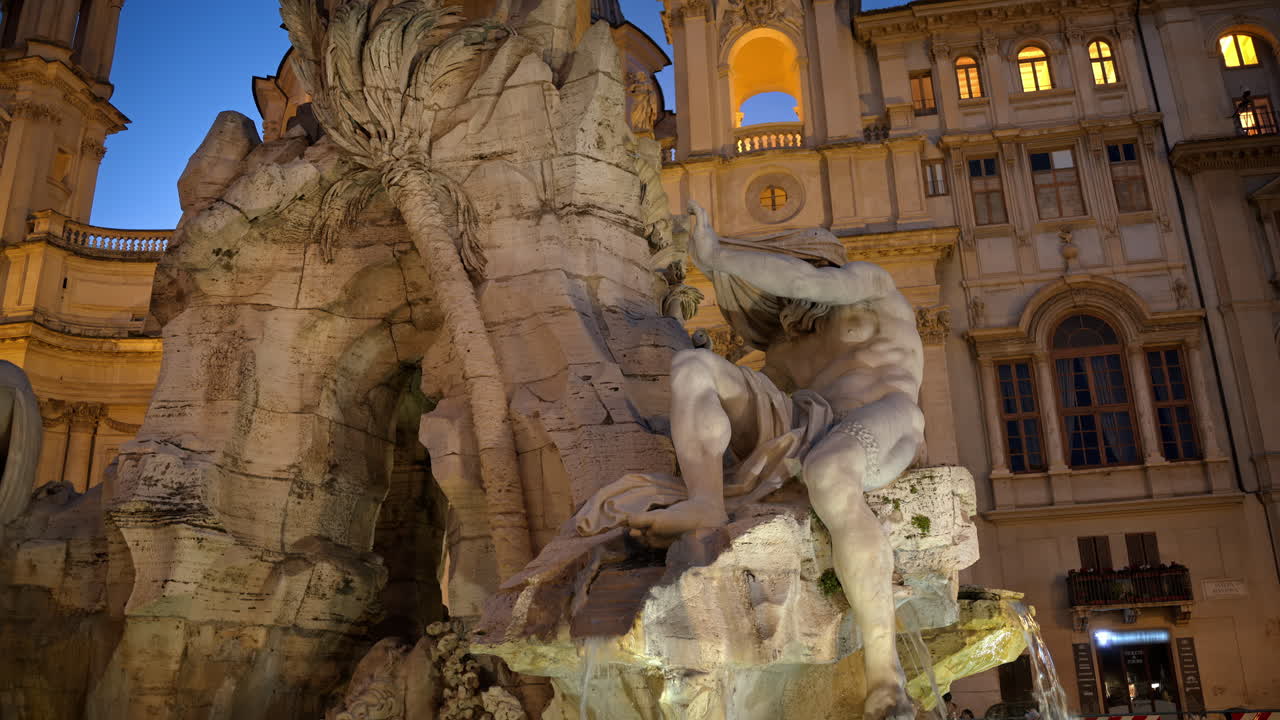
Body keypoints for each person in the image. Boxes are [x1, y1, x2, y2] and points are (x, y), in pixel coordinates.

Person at [623, 202, 926, 720]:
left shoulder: (870, 285)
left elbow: (809, 282)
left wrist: (717, 258)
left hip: (885, 416)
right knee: (694, 367)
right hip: (809, 420)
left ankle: (884, 672)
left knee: (829, 472)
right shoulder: (786, 344)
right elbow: (761, 400)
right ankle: (706, 502)